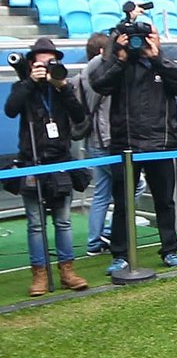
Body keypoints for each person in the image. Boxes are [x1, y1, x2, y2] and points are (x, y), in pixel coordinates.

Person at [88, 5, 177, 272]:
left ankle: (170, 250)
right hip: (126, 145)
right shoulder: (118, 64)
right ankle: (120, 254)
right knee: (123, 202)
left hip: (160, 144)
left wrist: (157, 57)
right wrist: (119, 56)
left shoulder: (162, 62)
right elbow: (99, 83)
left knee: (165, 202)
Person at [5, 37, 89, 296]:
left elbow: (79, 116)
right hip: (32, 161)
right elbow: (11, 109)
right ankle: (39, 274)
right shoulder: (23, 86)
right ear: (31, 64)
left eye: (51, 60)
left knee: (63, 222)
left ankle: (67, 270)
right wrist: (30, 81)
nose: (48, 65)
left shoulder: (62, 88)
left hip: (60, 161)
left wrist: (62, 87)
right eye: (42, 61)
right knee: (35, 224)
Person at [71, 32, 114, 255]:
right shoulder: (94, 72)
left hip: (92, 139)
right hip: (103, 139)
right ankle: (111, 232)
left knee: (102, 192)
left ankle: (95, 242)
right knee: (134, 186)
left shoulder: (80, 76)